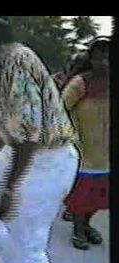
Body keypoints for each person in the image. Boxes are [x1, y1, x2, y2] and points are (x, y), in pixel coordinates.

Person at [0, 43, 79, 263]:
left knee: (30, 242)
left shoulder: (16, 59)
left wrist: (9, 189)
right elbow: (4, 125)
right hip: (17, 150)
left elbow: (29, 132)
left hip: (48, 157)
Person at [62, 39, 110, 250]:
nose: (105, 62)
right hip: (83, 148)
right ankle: (78, 229)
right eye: (100, 57)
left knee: (100, 194)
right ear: (91, 59)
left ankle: (87, 225)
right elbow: (60, 109)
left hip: (106, 151)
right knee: (83, 195)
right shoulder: (81, 83)